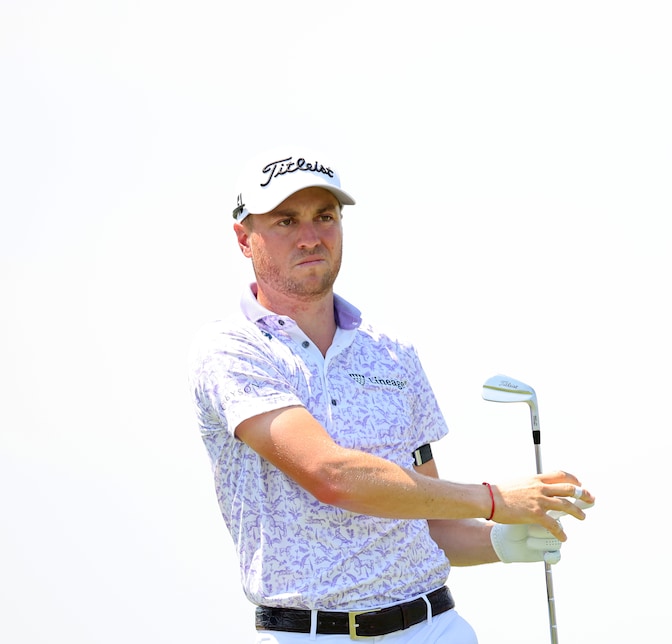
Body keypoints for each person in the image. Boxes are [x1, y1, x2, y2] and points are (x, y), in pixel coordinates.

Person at [188, 148, 595, 643]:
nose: (311, 236)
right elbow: (331, 476)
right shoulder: (231, 349)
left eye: (325, 217)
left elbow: (430, 522)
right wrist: (493, 499)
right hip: (310, 634)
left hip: (436, 627)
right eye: (285, 221)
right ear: (244, 239)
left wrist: (502, 541)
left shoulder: (392, 354)